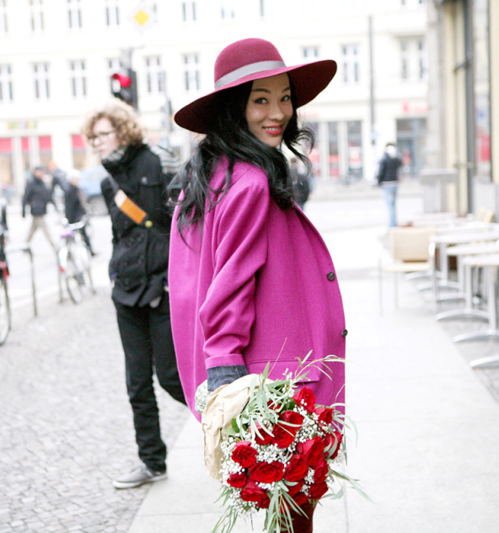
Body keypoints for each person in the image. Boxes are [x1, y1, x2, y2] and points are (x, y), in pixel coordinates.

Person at [168, 38, 346, 532]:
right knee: (293, 521)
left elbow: (190, 286)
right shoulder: (249, 182)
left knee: (280, 520)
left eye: (285, 97)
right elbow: (226, 289)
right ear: (234, 107)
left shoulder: (212, 174)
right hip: (277, 383)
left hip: (264, 371)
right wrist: (227, 379)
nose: (279, 113)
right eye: (260, 99)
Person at [81, 99, 186, 490]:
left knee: (172, 377)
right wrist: (112, 273)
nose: (97, 143)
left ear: (122, 131)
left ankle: (229, 425)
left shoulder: (157, 162)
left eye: (102, 135)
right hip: (126, 288)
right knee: (137, 382)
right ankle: (151, 461)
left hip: (161, 285)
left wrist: (177, 276)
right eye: (92, 137)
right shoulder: (109, 180)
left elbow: (182, 221)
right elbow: (119, 231)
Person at [21, 166, 56, 251]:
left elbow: (47, 195)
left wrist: (54, 204)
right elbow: (25, 197)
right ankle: (54, 246)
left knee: (33, 229)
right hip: (36, 210)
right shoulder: (31, 183)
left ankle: (25, 244)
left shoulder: (42, 183)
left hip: (42, 209)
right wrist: (23, 210)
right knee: (45, 228)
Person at [63, 168, 95, 256]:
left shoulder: (75, 188)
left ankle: (89, 250)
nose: (78, 181)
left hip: (79, 216)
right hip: (75, 217)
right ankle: (87, 251)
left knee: (83, 235)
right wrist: (69, 220)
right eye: (77, 179)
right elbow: (69, 207)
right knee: (80, 235)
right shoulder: (70, 190)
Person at [376, 142, 402, 228]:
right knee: (393, 205)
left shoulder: (385, 159)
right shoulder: (396, 159)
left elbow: (381, 171)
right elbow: (400, 164)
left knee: (390, 205)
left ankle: (392, 225)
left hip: (387, 184)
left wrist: (378, 182)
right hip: (395, 183)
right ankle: (393, 223)